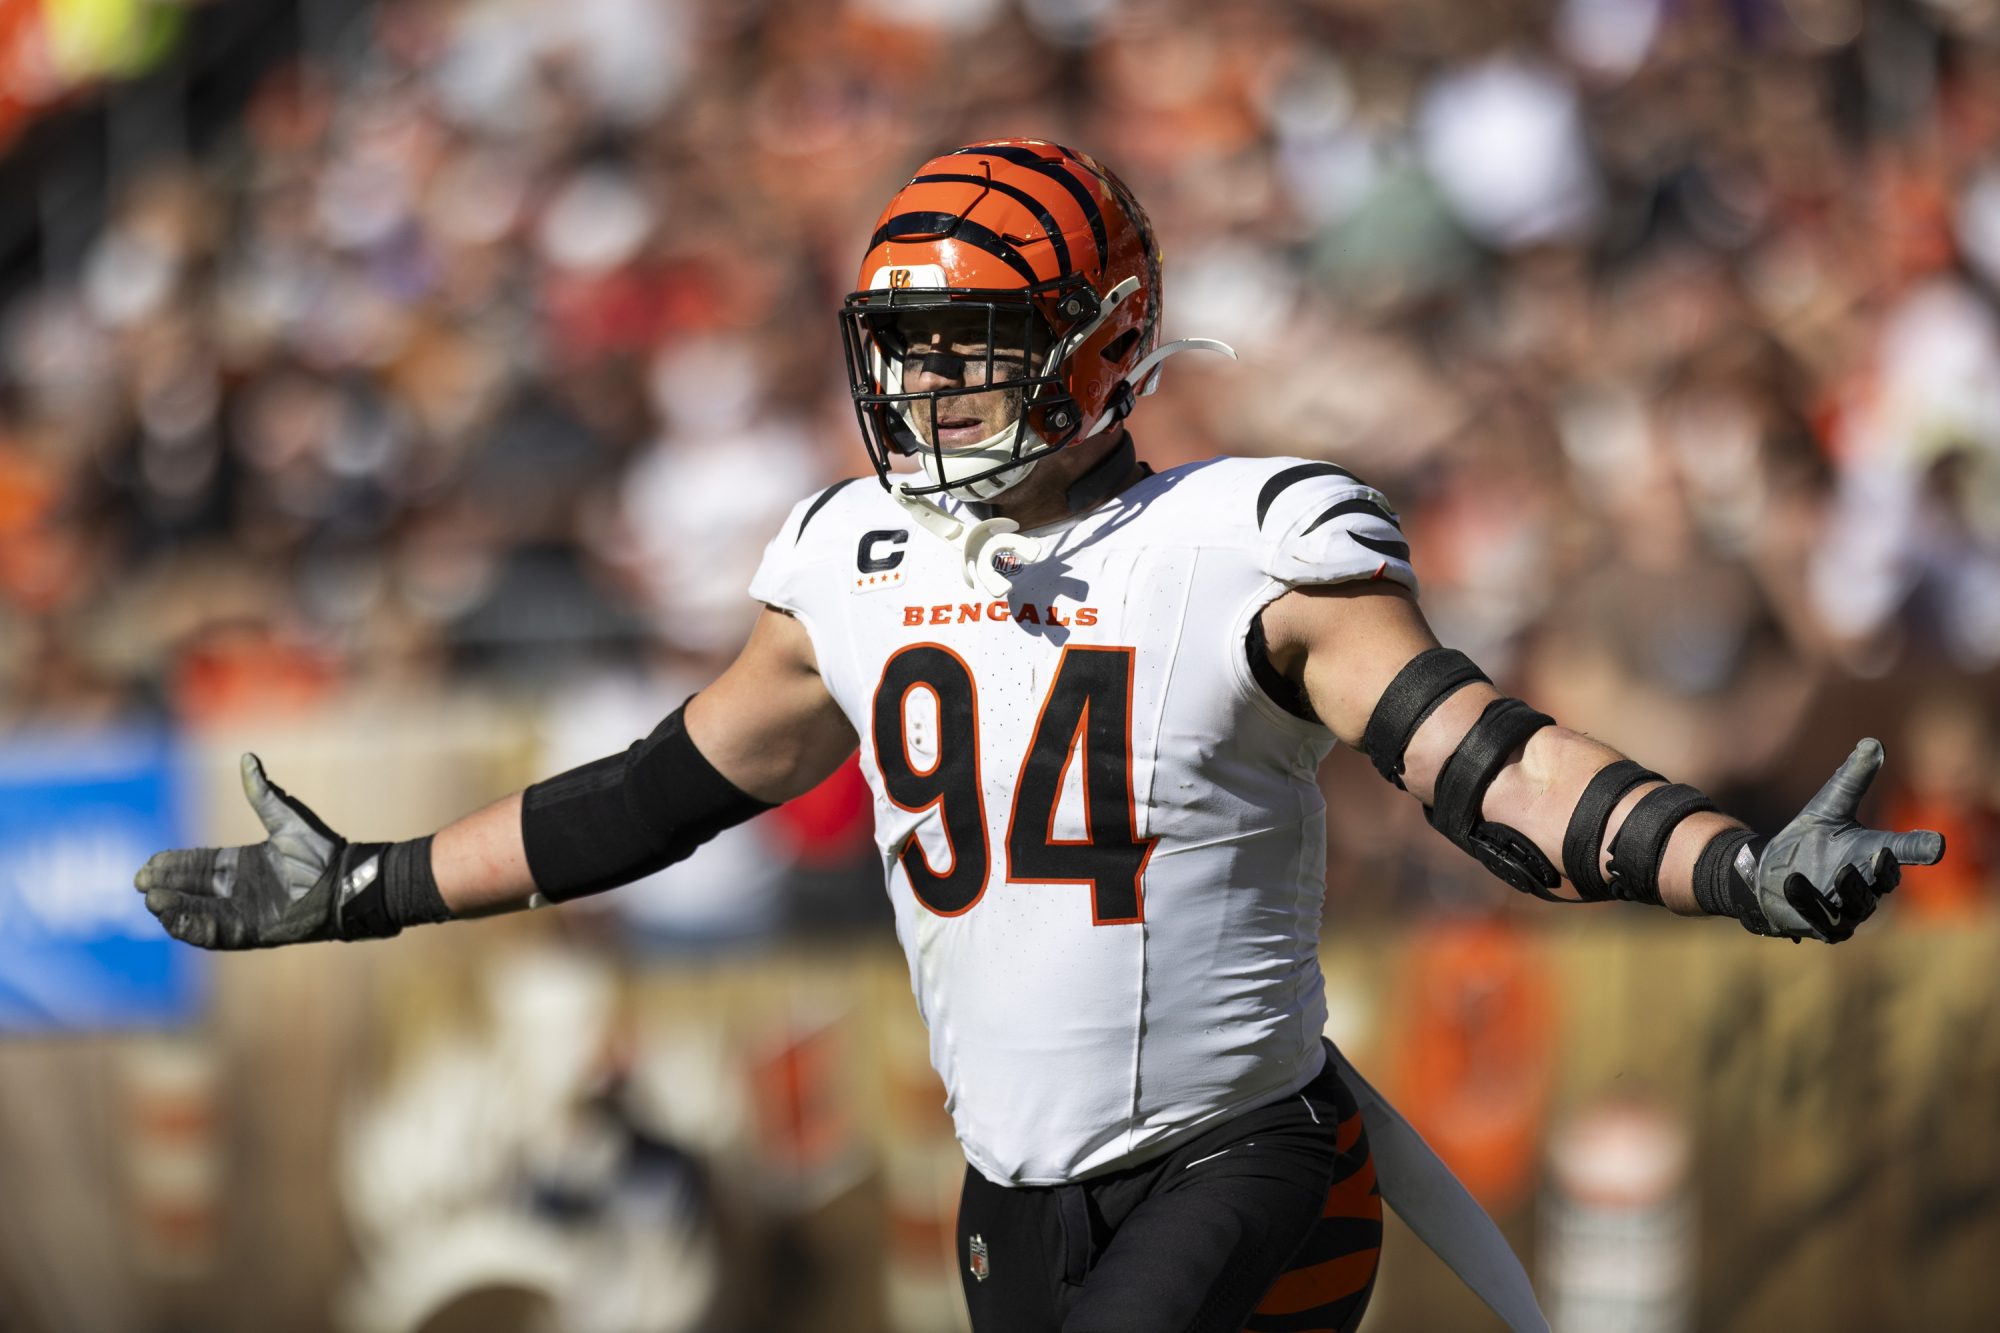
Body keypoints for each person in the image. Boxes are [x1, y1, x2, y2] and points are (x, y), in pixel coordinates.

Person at [135, 139, 1944, 1333]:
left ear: (1104, 340)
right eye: (908, 347)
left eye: (977, 343)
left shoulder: (1243, 540)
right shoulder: (852, 557)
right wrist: (368, 884)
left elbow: (1487, 763)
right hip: (1014, 1194)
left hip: (1247, 1164)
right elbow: (665, 788)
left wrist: (1729, 859)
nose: (929, 388)